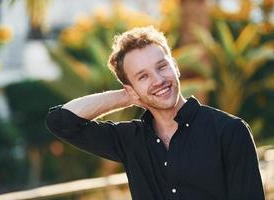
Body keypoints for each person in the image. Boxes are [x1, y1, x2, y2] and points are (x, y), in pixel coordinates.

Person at [45, 26, 265, 200]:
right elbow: (60, 122)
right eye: (143, 76)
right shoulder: (129, 140)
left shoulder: (229, 131)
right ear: (131, 88)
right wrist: (126, 97)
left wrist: (141, 87)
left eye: (162, 67)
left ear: (175, 67)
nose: (159, 80)